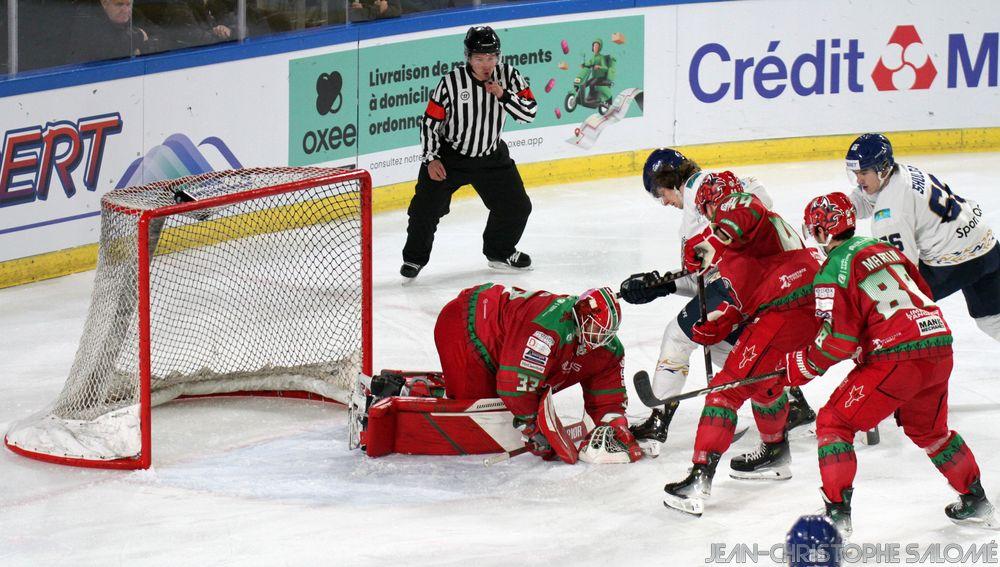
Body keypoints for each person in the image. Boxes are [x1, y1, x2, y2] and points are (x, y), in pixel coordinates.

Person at [790, 191, 996, 535]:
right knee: (932, 432)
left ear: (824, 232)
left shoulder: (832, 270)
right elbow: (922, 293)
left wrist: (802, 364)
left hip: (897, 357)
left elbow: (837, 341)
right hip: (938, 344)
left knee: (833, 422)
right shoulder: (885, 249)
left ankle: (836, 517)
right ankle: (977, 501)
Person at [620, 149, 815, 452]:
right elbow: (704, 273)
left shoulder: (702, 189)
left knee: (678, 335)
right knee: (726, 345)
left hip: (760, 285)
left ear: (669, 181)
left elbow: (711, 263)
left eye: (661, 193)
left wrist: (667, 280)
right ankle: (790, 400)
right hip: (777, 282)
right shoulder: (727, 189)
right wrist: (662, 285)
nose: (665, 202)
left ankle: (659, 418)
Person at [660, 181, 823, 516]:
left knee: (724, 391)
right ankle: (775, 451)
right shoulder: (741, 245)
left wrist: (712, 240)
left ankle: (697, 479)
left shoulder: (738, 208)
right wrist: (721, 323)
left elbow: (746, 210)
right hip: (795, 306)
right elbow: (748, 297)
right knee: (765, 384)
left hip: (787, 308)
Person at [433, 283, 641, 463]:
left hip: (503, 346)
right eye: (595, 330)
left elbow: (608, 399)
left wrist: (616, 425)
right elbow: (514, 385)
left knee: (499, 411)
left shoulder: (608, 348)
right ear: (581, 316)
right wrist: (533, 429)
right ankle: (413, 389)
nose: (598, 339)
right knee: (480, 416)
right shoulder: (547, 330)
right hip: (467, 327)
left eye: (605, 334)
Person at [400, 26, 537, 279]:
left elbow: (529, 113)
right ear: (468, 57)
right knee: (424, 209)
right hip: (450, 156)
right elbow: (430, 121)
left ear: (499, 56)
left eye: (491, 57)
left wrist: (503, 95)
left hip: (492, 156)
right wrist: (431, 158)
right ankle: (414, 259)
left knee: (517, 206)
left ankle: (500, 251)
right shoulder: (451, 82)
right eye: (479, 59)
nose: (486, 64)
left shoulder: (509, 76)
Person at [846, 133, 1000, 343]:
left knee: (890, 304)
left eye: (863, 172)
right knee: (993, 319)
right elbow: (868, 198)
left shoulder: (890, 214)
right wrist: (841, 207)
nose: (858, 179)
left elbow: (903, 270)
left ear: (882, 168)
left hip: (956, 264)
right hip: (987, 245)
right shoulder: (901, 172)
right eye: (855, 173)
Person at [64, 0, 149, 66]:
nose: (125, 10)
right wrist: (140, 35)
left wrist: (143, 48)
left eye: (129, 4)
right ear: (104, 3)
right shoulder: (86, 19)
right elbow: (112, 50)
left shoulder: (135, 15)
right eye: (119, 4)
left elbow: (159, 36)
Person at [572, 38, 616, 106]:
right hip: (595, 77)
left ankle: (593, 98)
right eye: (594, 46)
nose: (595, 48)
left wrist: (599, 67)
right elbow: (589, 62)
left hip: (600, 77)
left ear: (599, 48)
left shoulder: (601, 57)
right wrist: (583, 65)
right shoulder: (593, 57)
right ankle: (579, 98)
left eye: (597, 46)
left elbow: (605, 68)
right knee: (584, 84)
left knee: (592, 84)